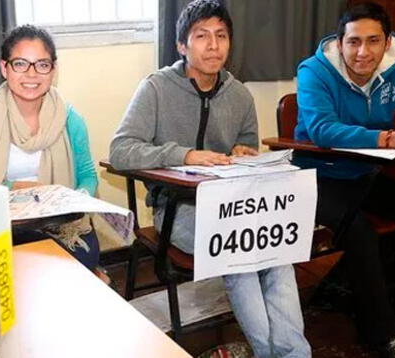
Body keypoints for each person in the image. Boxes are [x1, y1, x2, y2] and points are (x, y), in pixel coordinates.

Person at [109, 1, 311, 357]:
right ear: (182, 45)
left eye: (221, 36)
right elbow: (121, 150)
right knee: (241, 255)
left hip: (235, 203)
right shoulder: (156, 88)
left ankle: (294, 353)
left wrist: (244, 153)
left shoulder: (239, 94)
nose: (213, 45)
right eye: (202, 36)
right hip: (177, 209)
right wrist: (183, 155)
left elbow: (247, 147)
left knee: (276, 253)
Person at [295, 2, 395, 357]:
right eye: (354, 42)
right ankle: (382, 334)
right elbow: (320, 129)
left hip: (364, 172)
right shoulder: (313, 71)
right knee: (361, 232)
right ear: (340, 42)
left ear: (386, 41)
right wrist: (389, 138)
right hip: (317, 175)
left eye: (373, 41)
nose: (363, 52)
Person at [0, 25, 102, 274]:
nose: (31, 74)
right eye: (20, 64)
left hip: (62, 224)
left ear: (53, 70)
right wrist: (16, 189)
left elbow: (88, 174)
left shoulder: (71, 119)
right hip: (4, 225)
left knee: (73, 262)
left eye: (42, 64)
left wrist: (75, 196)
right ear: (4, 68)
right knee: (25, 268)